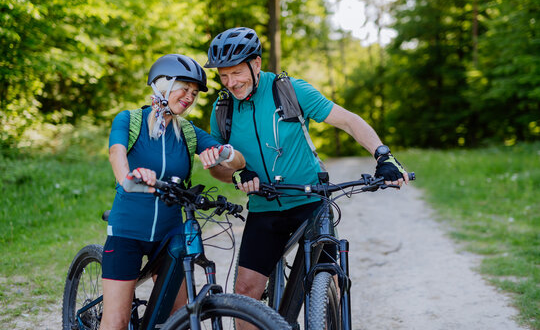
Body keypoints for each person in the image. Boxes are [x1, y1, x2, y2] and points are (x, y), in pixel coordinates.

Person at [204, 27, 409, 324]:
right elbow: (216, 167)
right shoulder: (222, 110)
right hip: (264, 208)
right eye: (224, 76)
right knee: (245, 292)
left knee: (329, 281)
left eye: (237, 73)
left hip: (310, 201)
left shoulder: (289, 90)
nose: (231, 83)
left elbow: (349, 121)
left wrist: (383, 155)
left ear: (256, 63)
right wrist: (236, 175)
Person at [101, 53, 246, 330]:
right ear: (162, 85)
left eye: (194, 92)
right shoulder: (130, 120)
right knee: (116, 321)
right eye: (184, 88)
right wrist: (127, 178)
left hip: (170, 233)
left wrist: (224, 153)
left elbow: (238, 161)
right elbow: (116, 152)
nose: (190, 97)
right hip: (127, 231)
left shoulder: (188, 133)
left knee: (179, 316)